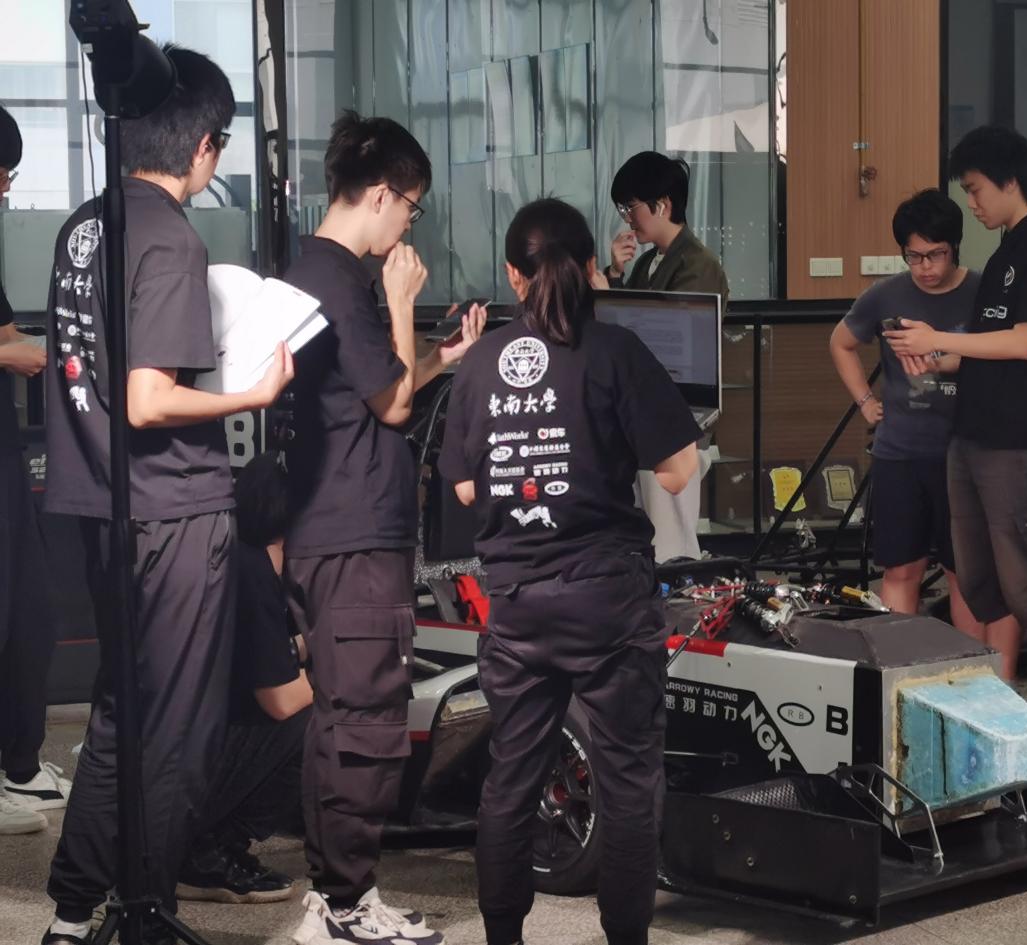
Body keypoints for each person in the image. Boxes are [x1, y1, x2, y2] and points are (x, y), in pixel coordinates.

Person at [40, 46, 295, 945]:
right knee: (179, 730)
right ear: (204, 145)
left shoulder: (84, 225)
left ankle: (74, 911)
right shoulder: (171, 237)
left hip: (102, 506)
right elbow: (149, 398)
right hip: (175, 513)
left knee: (122, 713)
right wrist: (251, 394)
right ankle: (146, 910)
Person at [440, 197, 701, 945]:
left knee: (511, 779)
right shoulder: (616, 351)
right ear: (591, 267)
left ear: (513, 276)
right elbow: (678, 470)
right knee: (627, 783)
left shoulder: (481, 361)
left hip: (517, 604)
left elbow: (465, 489)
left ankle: (502, 938)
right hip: (608, 602)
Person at [282, 111, 484, 945]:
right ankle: (344, 904)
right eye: (411, 206)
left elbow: (376, 387)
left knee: (340, 719)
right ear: (379, 194)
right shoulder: (344, 281)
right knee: (364, 721)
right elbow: (394, 405)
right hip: (356, 534)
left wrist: (440, 355)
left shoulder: (315, 269)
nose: (409, 224)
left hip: (330, 529)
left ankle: (334, 897)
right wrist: (401, 301)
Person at [887, 126, 1027, 714]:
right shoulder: (1004, 253)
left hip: (1022, 438)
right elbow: (985, 347)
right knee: (979, 576)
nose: (971, 203)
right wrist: (934, 356)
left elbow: (1023, 342)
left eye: (975, 189)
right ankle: (996, 691)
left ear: (1010, 181)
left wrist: (940, 338)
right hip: (972, 434)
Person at [830, 189, 983, 639]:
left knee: (964, 572)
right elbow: (840, 343)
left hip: (965, 452)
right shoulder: (886, 295)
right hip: (900, 453)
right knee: (900, 570)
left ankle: (971, 671)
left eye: (935, 255)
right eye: (913, 257)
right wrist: (865, 402)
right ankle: (903, 669)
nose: (925, 267)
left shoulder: (982, 292)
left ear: (955, 246)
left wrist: (947, 358)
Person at [176, 452, 311, 905]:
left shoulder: (240, 558)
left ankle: (208, 845)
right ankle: (209, 851)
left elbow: (262, 655)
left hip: (189, 739)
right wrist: (348, 672)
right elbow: (280, 700)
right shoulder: (253, 574)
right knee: (318, 723)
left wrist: (311, 644)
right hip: (202, 753)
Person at [605, 151, 728, 562]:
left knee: (671, 539)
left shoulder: (699, 264)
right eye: (623, 209)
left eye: (631, 207)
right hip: (646, 414)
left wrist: (607, 291)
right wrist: (614, 276)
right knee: (649, 531)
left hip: (677, 416)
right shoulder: (646, 263)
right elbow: (621, 328)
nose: (628, 219)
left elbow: (665, 338)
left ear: (662, 205)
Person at [0, 103, 69, 835]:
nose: (6, 187)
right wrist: (13, 354)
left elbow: (6, 332)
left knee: (32, 611)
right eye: (1, 171)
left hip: (5, 452)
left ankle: (17, 765)